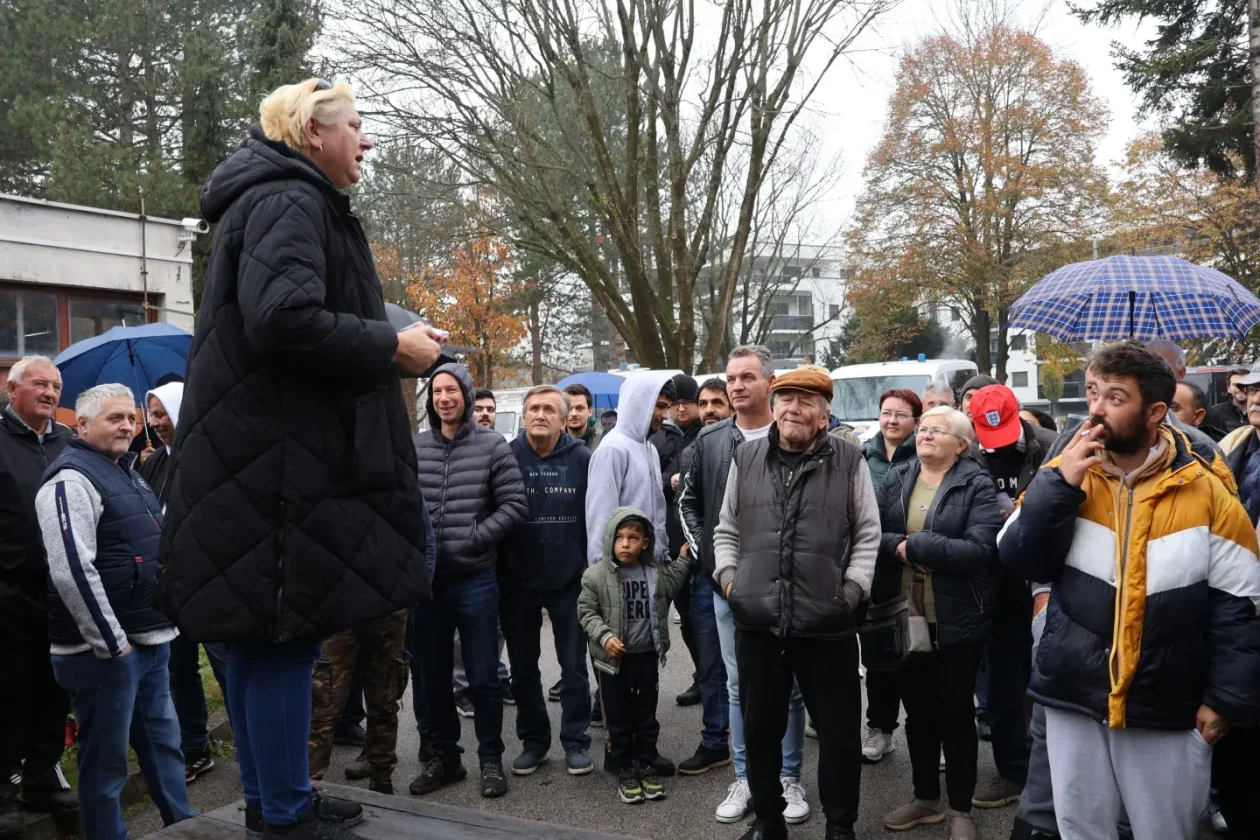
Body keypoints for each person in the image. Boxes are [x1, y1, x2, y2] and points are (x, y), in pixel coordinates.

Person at [157, 78, 438, 839]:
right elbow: (283, 317)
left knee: (259, 643)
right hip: (279, 469)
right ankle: (283, 811)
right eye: (354, 125)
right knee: (285, 640)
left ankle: (271, 797)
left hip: (259, 461)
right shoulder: (291, 199)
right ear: (312, 134)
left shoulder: (268, 198)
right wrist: (392, 345)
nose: (367, 140)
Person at [999, 341, 1260, 840]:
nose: (1095, 408)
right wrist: (1060, 488)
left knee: (1164, 830)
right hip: (1074, 691)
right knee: (1081, 828)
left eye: (1115, 397)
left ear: (1156, 412)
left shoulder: (1206, 488)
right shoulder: (1066, 473)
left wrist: (1225, 700)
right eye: (1093, 392)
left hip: (1165, 699)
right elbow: (1016, 556)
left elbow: (1241, 603)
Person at [711, 366, 880, 840]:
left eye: (807, 401)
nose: (794, 409)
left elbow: (868, 531)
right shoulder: (746, 457)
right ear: (774, 405)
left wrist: (851, 592)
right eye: (786, 398)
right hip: (758, 620)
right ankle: (768, 821)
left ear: (824, 415)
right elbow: (726, 527)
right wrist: (730, 581)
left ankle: (840, 826)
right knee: (760, 729)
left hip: (827, 622)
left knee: (840, 734)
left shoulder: (849, 459)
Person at [36, 384, 194, 840]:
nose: (128, 425)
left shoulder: (127, 470)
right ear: (82, 425)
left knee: (165, 749)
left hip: (148, 639)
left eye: (131, 417)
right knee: (106, 765)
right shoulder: (71, 480)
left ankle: (184, 827)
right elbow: (70, 569)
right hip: (103, 653)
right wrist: (111, 642)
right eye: (114, 418)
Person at [679, 346, 808, 825]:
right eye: (730, 378)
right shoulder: (710, 441)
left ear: (769, 383)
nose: (735, 386)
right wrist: (715, 564)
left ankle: (788, 778)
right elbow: (689, 504)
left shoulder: (795, 435)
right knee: (738, 687)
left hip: (789, 588)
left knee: (788, 687)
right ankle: (746, 776)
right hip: (728, 588)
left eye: (747, 377)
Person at [874, 405, 1001, 840]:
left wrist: (922, 545)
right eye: (923, 428)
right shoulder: (899, 476)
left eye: (937, 431)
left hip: (956, 618)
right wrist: (903, 549)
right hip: (906, 616)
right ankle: (926, 797)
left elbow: (981, 549)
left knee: (954, 713)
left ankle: (961, 809)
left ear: (961, 444)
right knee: (919, 713)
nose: (924, 435)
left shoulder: (975, 483)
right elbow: (872, 532)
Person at [410, 363, 526, 798]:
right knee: (433, 678)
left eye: (452, 390)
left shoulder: (493, 445)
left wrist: (477, 537)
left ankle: (490, 760)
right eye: (437, 391)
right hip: (429, 584)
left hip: (476, 580)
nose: (444, 398)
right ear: (430, 399)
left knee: (483, 678)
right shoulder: (415, 447)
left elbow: (515, 505)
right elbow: (401, 507)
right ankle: (446, 758)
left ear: (467, 395)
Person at [961, 385, 1057, 813]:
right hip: (996, 582)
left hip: (1049, 578)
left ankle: (1057, 768)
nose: (993, 446)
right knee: (1001, 683)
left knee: (1052, 677)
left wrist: (1025, 508)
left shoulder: (1054, 446)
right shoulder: (969, 452)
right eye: (986, 435)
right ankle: (1012, 771)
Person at [0, 356, 76, 837]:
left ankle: (42, 775)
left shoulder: (69, 442)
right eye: (40, 384)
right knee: (8, 690)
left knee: (54, 688)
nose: (51, 393)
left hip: (61, 595)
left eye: (57, 385)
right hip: (8, 594)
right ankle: (4, 785)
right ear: (12, 389)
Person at [585, 371, 676, 769]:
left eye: (666, 406)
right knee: (615, 676)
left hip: (648, 574)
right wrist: (604, 576)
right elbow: (600, 517)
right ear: (639, 402)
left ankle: (645, 750)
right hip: (616, 578)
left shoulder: (650, 449)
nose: (663, 414)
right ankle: (617, 753)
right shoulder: (613, 449)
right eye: (658, 405)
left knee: (643, 674)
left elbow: (654, 508)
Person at [138, 382, 227, 785]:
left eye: (163, 414)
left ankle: (254, 747)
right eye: (152, 415)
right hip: (170, 585)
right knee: (180, 670)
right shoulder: (153, 462)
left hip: (211, 584)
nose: (156, 423)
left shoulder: (210, 455)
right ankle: (194, 747)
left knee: (228, 667)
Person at [501, 386, 594, 777]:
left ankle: (576, 741)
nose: (540, 414)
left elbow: (594, 513)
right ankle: (534, 741)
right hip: (516, 581)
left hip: (569, 580)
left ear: (564, 417)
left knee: (573, 668)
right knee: (523, 669)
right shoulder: (505, 456)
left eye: (548, 410)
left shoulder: (583, 458)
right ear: (525, 416)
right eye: (533, 409)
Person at [578, 508, 693, 805]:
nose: (625, 544)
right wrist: (605, 636)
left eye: (633, 538)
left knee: (645, 714)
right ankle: (624, 767)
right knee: (616, 717)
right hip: (612, 662)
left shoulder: (654, 573)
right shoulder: (595, 576)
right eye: (619, 537)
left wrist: (683, 559)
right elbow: (586, 613)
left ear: (645, 542)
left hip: (645, 658)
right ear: (609, 541)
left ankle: (645, 761)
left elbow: (673, 584)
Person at [860, 388, 921, 765]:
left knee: (918, 653)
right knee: (878, 653)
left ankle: (925, 730)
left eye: (901, 414)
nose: (892, 420)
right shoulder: (861, 455)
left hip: (915, 566)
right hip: (873, 566)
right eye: (886, 413)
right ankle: (880, 729)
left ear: (916, 420)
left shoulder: (926, 453)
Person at [651, 374, 704, 707]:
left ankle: (707, 675)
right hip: (666, 539)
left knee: (697, 615)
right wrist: (665, 480)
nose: (680, 409)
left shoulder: (707, 434)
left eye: (687, 402)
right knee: (675, 615)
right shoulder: (658, 436)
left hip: (696, 539)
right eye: (675, 404)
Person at [1206, 367, 1250, 435]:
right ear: (1228, 388)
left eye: (1244, 384)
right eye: (1235, 385)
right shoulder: (1215, 413)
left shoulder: (1257, 411)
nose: (1240, 388)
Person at [564, 383, 602, 451]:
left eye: (579, 408)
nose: (574, 414)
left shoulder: (602, 441)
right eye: (569, 408)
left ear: (590, 411)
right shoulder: (552, 442)